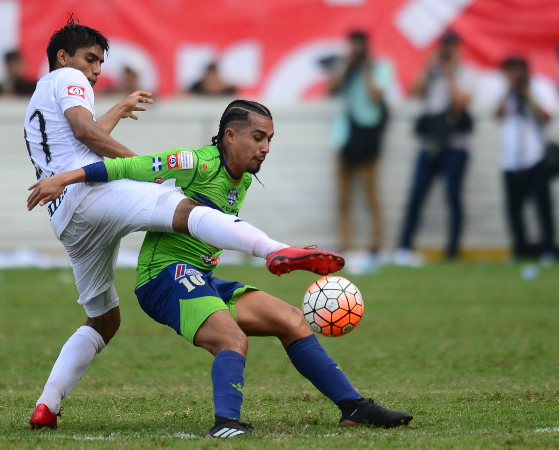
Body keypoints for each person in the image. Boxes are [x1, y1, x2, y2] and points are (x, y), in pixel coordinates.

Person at [23, 18, 344, 430]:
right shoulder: (68, 76)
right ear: (63, 57)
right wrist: (138, 169)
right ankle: (275, 250)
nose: (96, 70)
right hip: (88, 193)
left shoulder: (39, 97)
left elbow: (76, 140)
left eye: (100, 63)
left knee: (103, 319)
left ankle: (46, 405)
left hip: (66, 216)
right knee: (180, 206)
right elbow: (85, 131)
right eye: (90, 59)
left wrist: (118, 110)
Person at [28, 99, 413, 438]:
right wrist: (65, 177)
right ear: (230, 136)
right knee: (232, 339)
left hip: (203, 277)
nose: (265, 148)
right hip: (164, 277)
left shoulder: (241, 178)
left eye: (270, 140)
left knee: (292, 320)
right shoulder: (195, 162)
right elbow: (130, 166)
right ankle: (226, 423)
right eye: (258, 137)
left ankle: (353, 408)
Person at [394, 30, 475, 265]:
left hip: (455, 145)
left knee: (453, 196)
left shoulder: (467, 74)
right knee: (417, 194)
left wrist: (450, 74)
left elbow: (461, 103)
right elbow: (414, 92)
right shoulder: (433, 73)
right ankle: (405, 246)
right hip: (430, 144)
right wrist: (428, 68)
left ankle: (453, 249)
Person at [326, 31, 396, 272]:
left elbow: (377, 95)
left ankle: (376, 244)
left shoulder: (379, 67)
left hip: (367, 139)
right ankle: (346, 244)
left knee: (370, 194)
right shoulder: (344, 66)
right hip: (344, 137)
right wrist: (347, 66)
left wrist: (365, 69)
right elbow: (331, 89)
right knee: (343, 197)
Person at [495, 57, 558, 260]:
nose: (513, 75)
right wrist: (509, 92)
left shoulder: (539, 88)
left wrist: (527, 96)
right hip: (511, 160)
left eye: (516, 71)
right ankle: (520, 249)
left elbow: (547, 117)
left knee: (542, 206)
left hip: (535, 156)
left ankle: (548, 248)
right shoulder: (506, 92)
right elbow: (497, 115)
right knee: (514, 209)